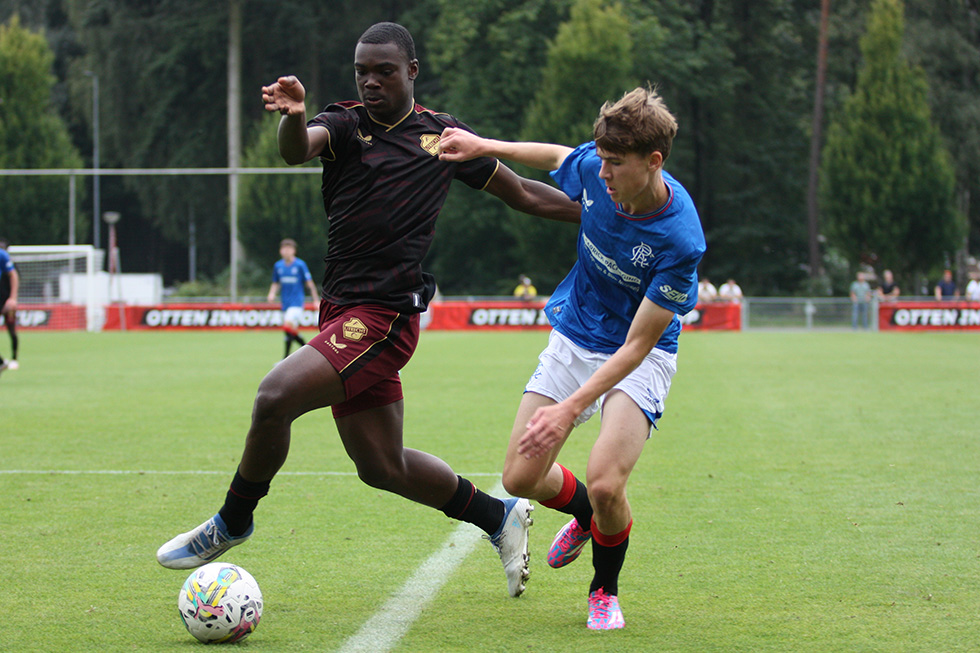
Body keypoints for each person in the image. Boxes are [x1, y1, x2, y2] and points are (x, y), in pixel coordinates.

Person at [156, 22, 581, 599]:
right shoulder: (344, 123)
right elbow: (294, 150)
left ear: (411, 71)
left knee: (274, 396)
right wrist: (291, 115)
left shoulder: (442, 138)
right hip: (341, 312)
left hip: (384, 317)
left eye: (384, 70)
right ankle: (496, 518)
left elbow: (526, 194)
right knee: (382, 466)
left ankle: (232, 520)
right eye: (362, 71)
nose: (371, 80)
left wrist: (598, 214)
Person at [439, 86, 705, 630]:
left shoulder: (680, 239)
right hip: (576, 336)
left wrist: (569, 410)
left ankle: (604, 589)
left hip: (640, 355)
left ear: (653, 162)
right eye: (600, 159)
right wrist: (481, 143)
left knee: (608, 481)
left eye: (614, 164)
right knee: (518, 477)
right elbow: (560, 156)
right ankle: (584, 515)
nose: (602, 174)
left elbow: (637, 345)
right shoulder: (594, 167)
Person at [267, 238, 319, 359]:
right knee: (289, 332)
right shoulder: (278, 266)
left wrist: (316, 300)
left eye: (288, 249)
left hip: (296, 303)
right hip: (285, 303)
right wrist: (272, 293)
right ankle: (306, 353)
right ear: (280, 251)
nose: (286, 251)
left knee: (287, 326)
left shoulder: (300, 265)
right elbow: (275, 282)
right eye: (284, 249)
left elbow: (309, 283)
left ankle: (287, 357)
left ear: (294, 251)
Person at [0, 239, 19, 374]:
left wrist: (12, 299)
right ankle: (2, 362)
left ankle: (14, 358)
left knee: (11, 330)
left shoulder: (6, 260)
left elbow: (15, 277)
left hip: (6, 302)